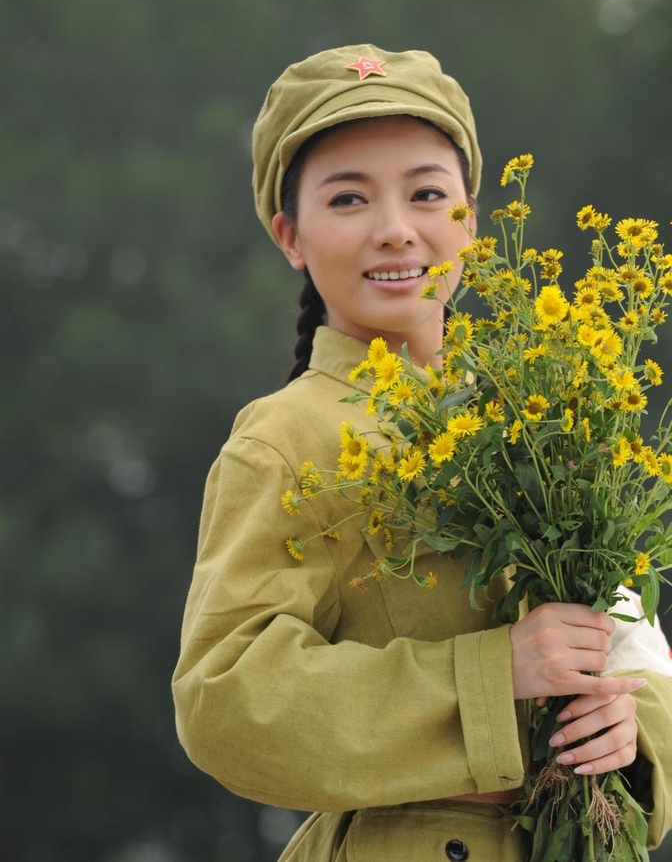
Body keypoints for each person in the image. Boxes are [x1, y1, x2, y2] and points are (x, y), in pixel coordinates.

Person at [172, 44, 672, 861]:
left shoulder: (548, 423)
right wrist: (491, 677)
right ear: (289, 237)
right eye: (348, 199)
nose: (397, 229)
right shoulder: (286, 438)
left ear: (472, 222)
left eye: (428, 194)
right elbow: (223, 700)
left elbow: (637, 647)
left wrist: (633, 732)